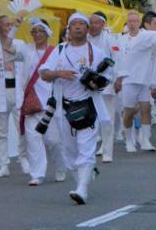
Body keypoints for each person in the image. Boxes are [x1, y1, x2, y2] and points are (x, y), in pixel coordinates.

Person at [39, 12, 110, 205]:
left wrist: (96, 82)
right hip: (65, 108)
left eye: (82, 24)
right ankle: (83, 181)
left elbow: (107, 78)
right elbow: (44, 74)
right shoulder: (60, 50)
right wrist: (57, 73)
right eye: (74, 24)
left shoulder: (96, 53)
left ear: (88, 29)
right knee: (69, 152)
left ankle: (82, 189)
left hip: (89, 106)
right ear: (68, 30)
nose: (78, 27)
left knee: (86, 148)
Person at [114, 10, 156, 153]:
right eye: (130, 21)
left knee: (146, 109)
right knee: (129, 112)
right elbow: (118, 60)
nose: (132, 24)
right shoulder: (121, 39)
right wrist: (118, 78)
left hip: (144, 78)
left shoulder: (146, 36)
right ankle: (129, 140)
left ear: (139, 22)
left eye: (135, 21)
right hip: (128, 79)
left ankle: (145, 140)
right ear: (127, 22)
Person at [20, 18, 66, 186]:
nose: (37, 34)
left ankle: (61, 167)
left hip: (51, 104)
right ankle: (37, 174)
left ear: (47, 33)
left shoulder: (56, 52)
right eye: (34, 31)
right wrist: (16, 23)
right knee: (32, 138)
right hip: (31, 102)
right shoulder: (25, 50)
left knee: (53, 140)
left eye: (41, 31)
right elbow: (8, 46)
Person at [0, 5, 30, 177]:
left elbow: (24, 61)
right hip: (0, 91)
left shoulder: (20, 44)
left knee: (22, 127)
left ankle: (23, 158)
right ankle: (3, 164)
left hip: (18, 91)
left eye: (9, 24)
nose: (7, 27)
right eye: (4, 25)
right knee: (1, 131)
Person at [88, 12, 119, 163]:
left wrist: (117, 80)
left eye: (96, 23)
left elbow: (117, 61)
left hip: (106, 85)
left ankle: (108, 152)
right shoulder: (84, 40)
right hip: (87, 85)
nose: (93, 26)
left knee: (107, 120)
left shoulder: (110, 39)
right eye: (91, 22)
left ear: (103, 24)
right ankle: (91, 149)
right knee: (92, 120)